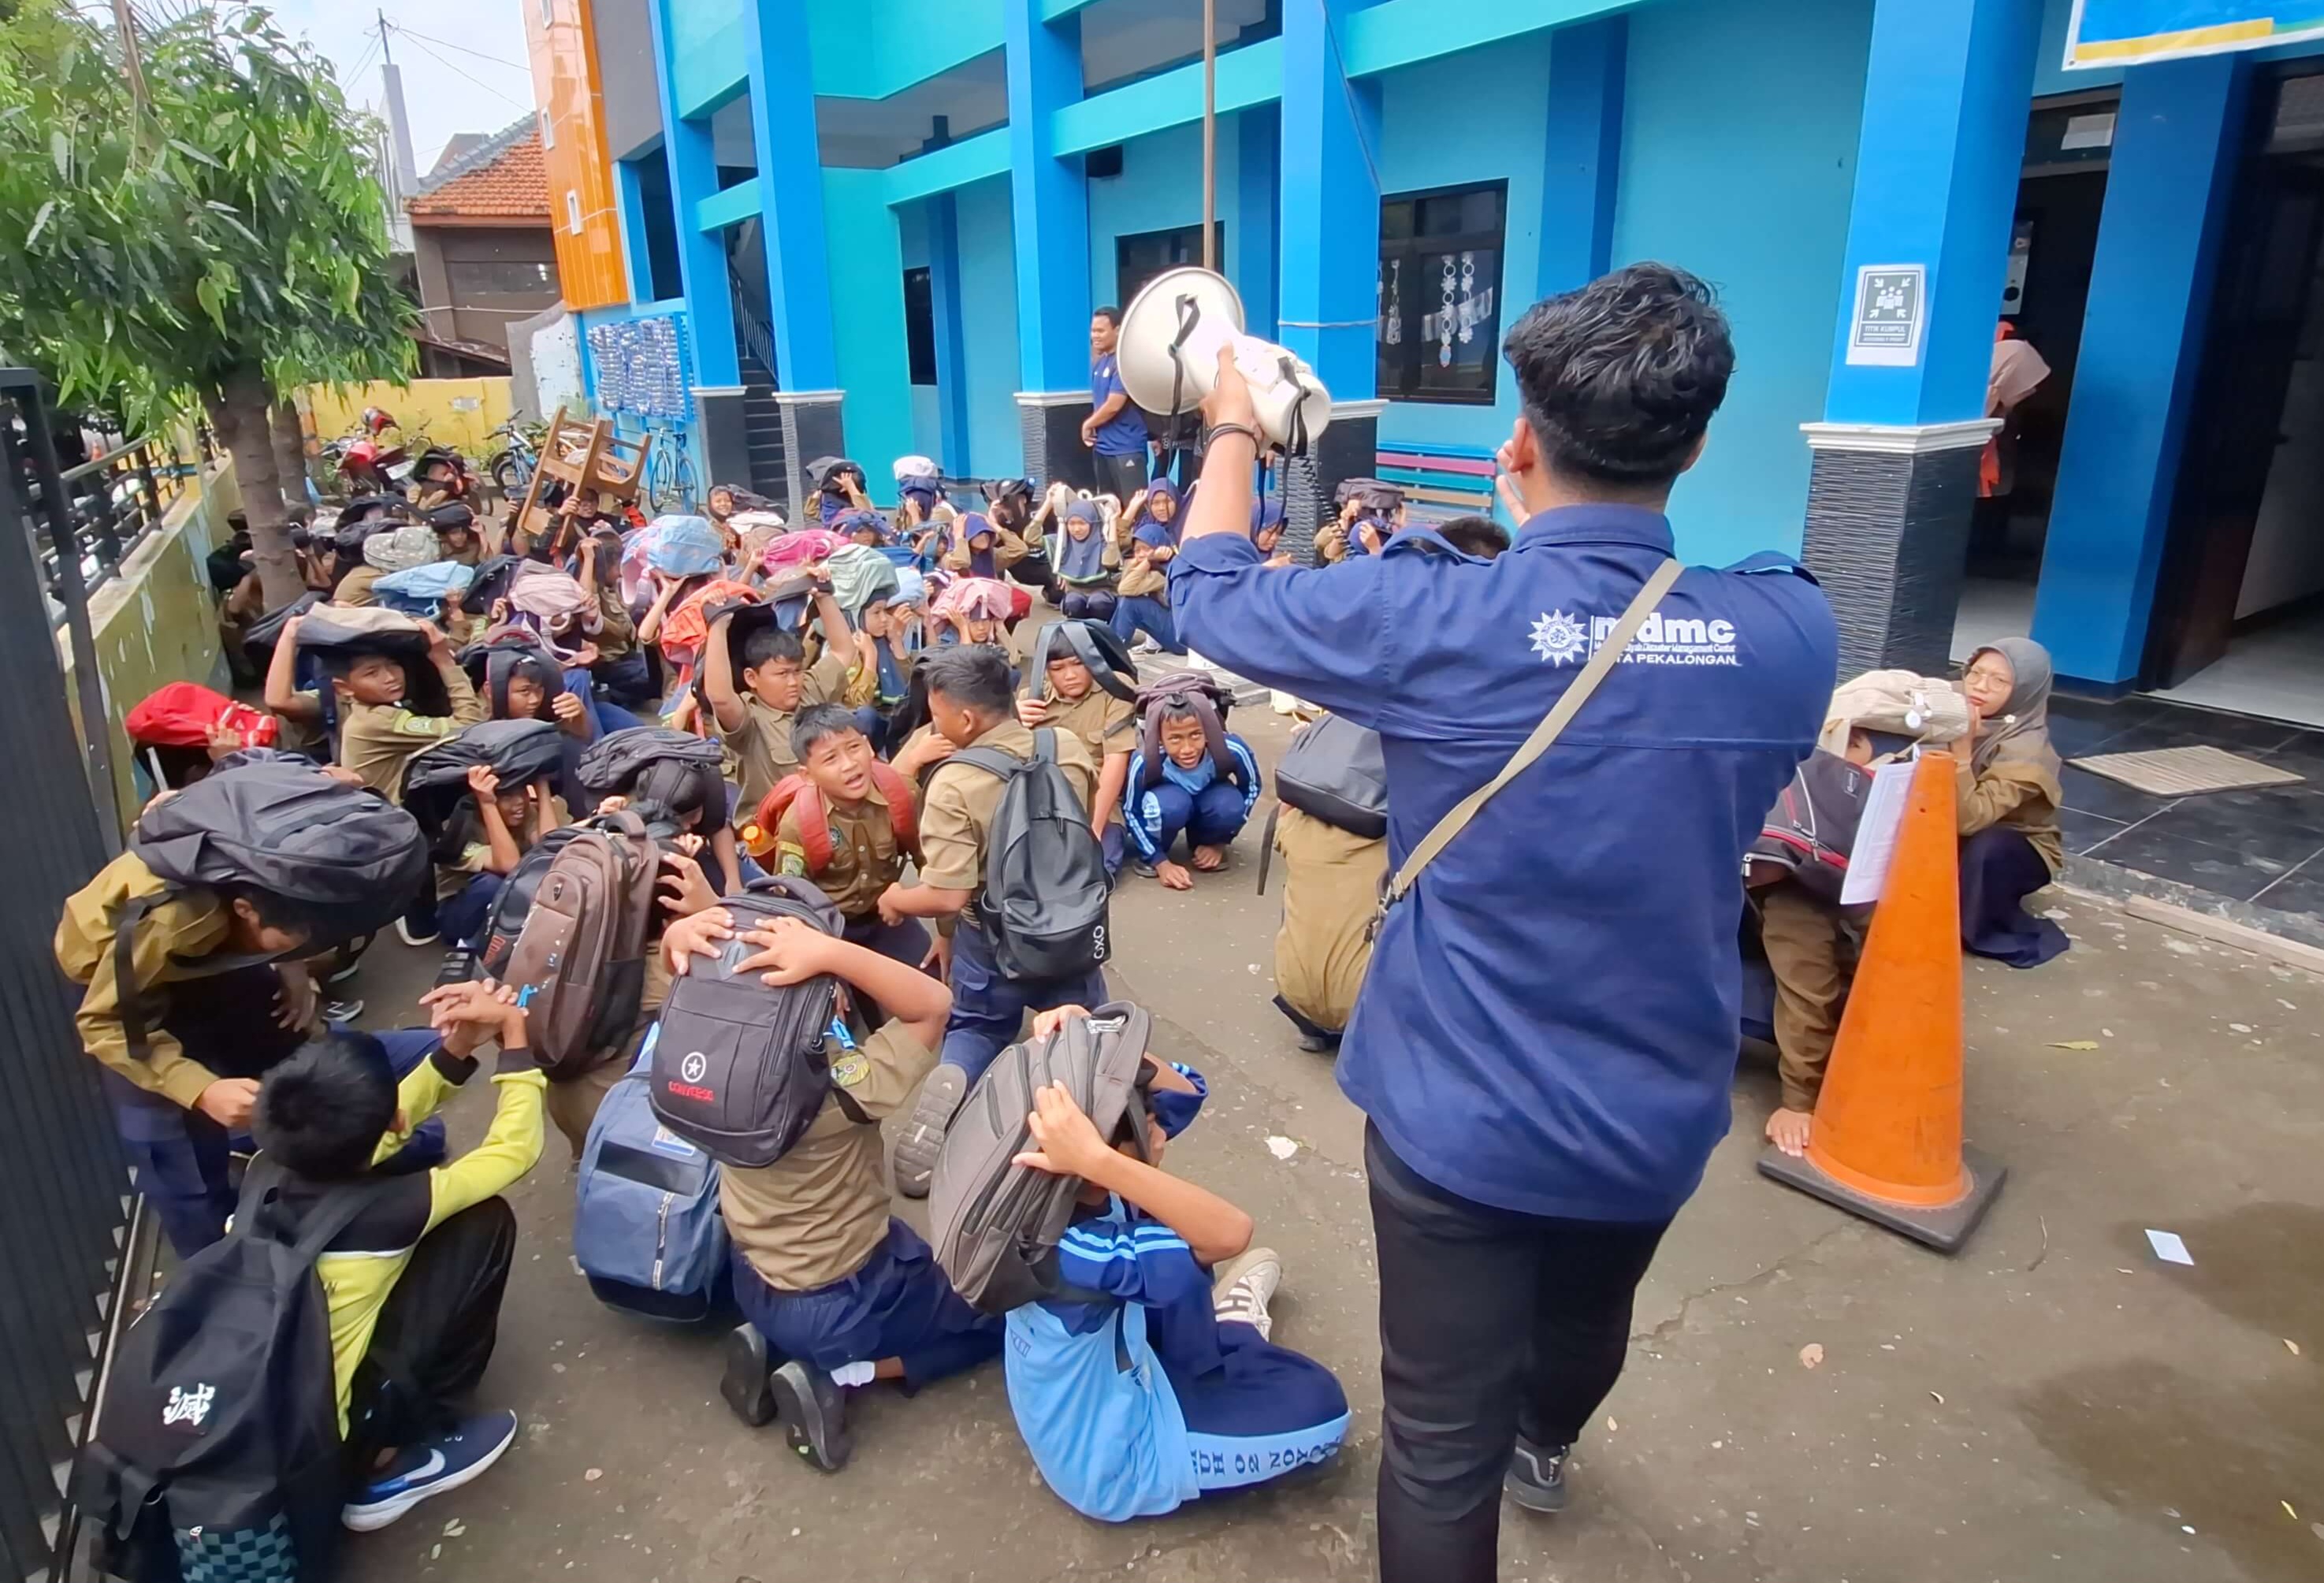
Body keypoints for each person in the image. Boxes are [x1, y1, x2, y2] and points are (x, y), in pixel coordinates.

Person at [1165, 262, 1836, 1580]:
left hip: (1454, 1112)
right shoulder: (1783, 630)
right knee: (1588, 1309)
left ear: (1516, 444)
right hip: (1650, 1104)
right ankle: (1544, 1439)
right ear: (1694, 443)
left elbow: (1205, 597)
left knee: (1431, 1443)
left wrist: (1233, 422)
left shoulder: (1432, 612)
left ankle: (1502, 1445)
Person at [659, 906, 1001, 1471]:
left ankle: (769, 1342)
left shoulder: (705, 1072)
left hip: (752, 1274)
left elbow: (707, 978)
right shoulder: (842, 1091)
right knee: (987, 1319)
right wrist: (834, 954)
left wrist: (680, 934)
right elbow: (933, 1005)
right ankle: (837, 1377)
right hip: (843, 1298)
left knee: (883, 1262)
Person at [1002, 1005, 1348, 1522]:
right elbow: (1229, 1232)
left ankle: (1215, 1336)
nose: (1155, 1124)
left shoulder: (1046, 1192)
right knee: (1323, 1409)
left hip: (1124, 1366)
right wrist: (1103, 1160)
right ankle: (1232, 1324)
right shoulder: (1073, 1250)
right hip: (1119, 1463)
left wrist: (1096, 1041)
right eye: (1141, 1126)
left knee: (1167, 1254)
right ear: (1087, 1163)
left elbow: (1187, 1091)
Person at [253, 979, 543, 1533]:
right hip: (331, 1444)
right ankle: (389, 1459)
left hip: (274, 1401)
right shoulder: (395, 1207)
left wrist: (456, 1050)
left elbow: (383, 1124)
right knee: (485, 1221)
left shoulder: (267, 1170)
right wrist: (514, 1033)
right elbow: (515, 1148)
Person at [877, 644, 1100, 1196]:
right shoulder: (1064, 745)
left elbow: (949, 894)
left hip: (994, 935)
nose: (935, 722)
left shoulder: (953, 781)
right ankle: (1084, 1132)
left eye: (938, 712)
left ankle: (956, 1082)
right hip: (1072, 926)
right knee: (1080, 1030)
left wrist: (897, 901)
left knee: (977, 1025)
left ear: (967, 717)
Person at [765, 704, 929, 975]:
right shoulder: (798, 824)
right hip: (829, 927)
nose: (849, 765)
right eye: (830, 759)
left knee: (931, 979)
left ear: (869, 747)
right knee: (837, 1006)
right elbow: (792, 901)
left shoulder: (902, 795)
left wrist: (944, 931)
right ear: (807, 775)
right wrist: (820, 964)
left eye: (854, 748)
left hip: (886, 914)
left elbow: (931, 862)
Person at [1957, 638, 2068, 968]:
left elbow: (1969, 820)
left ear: (2025, 690)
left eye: (2000, 681)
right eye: (1975, 672)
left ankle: (1984, 924)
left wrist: (1961, 754)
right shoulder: (1954, 703)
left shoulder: (2028, 750)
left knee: (1990, 846)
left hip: (2012, 847)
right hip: (1955, 832)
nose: (1980, 686)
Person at [703, 582, 859, 816]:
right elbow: (721, 698)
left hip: (832, 817)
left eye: (796, 671)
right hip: (777, 829)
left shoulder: (810, 689)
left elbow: (843, 651)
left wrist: (824, 597)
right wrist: (718, 625)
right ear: (752, 678)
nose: (793, 681)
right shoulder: (750, 717)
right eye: (782, 674)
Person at [321, 619, 488, 806]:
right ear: (343, 688)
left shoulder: (366, 711)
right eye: (372, 673)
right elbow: (470, 727)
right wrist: (445, 662)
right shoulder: (377, 720)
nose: (391, 677)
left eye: (393, 665)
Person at [1017, 623, 1136, 877]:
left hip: (1096, 800)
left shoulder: (1115, 689)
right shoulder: (1030, 698)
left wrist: (1094, 828)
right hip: (1042, 802)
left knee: (1096, 871)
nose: (1070, 675)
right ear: (1045, 671)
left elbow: (1116, 761)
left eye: (1078, 663)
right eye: (1058, 668)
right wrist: (1011, 723)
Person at [1123, 699, 1261, 890]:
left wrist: (1220, 842)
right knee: (1169, 806)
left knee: (1229, 806)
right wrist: (1159, 861)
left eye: (1196, 734)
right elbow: (1131, 810)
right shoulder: (1146, 759)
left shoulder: (1232, 748)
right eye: (1175, 739)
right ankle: (1155, 851)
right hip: (1169, 800)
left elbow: (1252, 788)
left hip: (1211, 796)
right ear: (1159, 739)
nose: (1187, 749)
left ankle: (1205, 842)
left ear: (1208, 731)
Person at [434, 763, 568, 955]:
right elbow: (509, 864)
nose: (519, 803)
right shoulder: (458, 832)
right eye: (506, 796)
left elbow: (549, 848)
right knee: (492, 883)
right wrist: (487, 804)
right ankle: (471, 946)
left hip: (505, 906)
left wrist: (543, 788)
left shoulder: (525, 812)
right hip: (460, 916)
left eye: (522, 792)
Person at [1085, 308, 1152, 504]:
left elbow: (1114, 405)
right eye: (1093, 331)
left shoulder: (1124, 364)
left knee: (1134, 508)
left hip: (1126, 448)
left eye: (1101, 331)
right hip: (1103, 448)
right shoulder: (1100, 362)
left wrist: (1087, 425)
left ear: (1118, 330)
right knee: (1108, 507)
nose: (1095, 336)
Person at [1110, 493, 1184, 656]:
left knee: (1130, 603)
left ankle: (1112, 652)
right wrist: (1144, 561)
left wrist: (1148, 561)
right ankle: (1111, 646)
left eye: (1147, 549)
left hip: (1183, 641)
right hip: (1172, 631)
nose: (1142, 554)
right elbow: (1125, 588)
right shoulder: (1147, 566)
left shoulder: (1165, 570)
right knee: (1126, 602)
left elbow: (1125, 589)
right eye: (1138, 551)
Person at [1051, 497, 1120, 621]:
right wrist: (1048, 502)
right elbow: (1031, 538)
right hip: (1075, 593)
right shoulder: (1063, 543)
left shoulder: (1103, 540)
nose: (1076, 529)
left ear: (1093, 523)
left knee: (1098, 602)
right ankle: (1078, 635)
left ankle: (1103, 635)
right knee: (1073, 603)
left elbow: (1111, 562)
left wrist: (1112, 523)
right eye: (1071, 524)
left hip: (1103, 592)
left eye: (1082, 523)